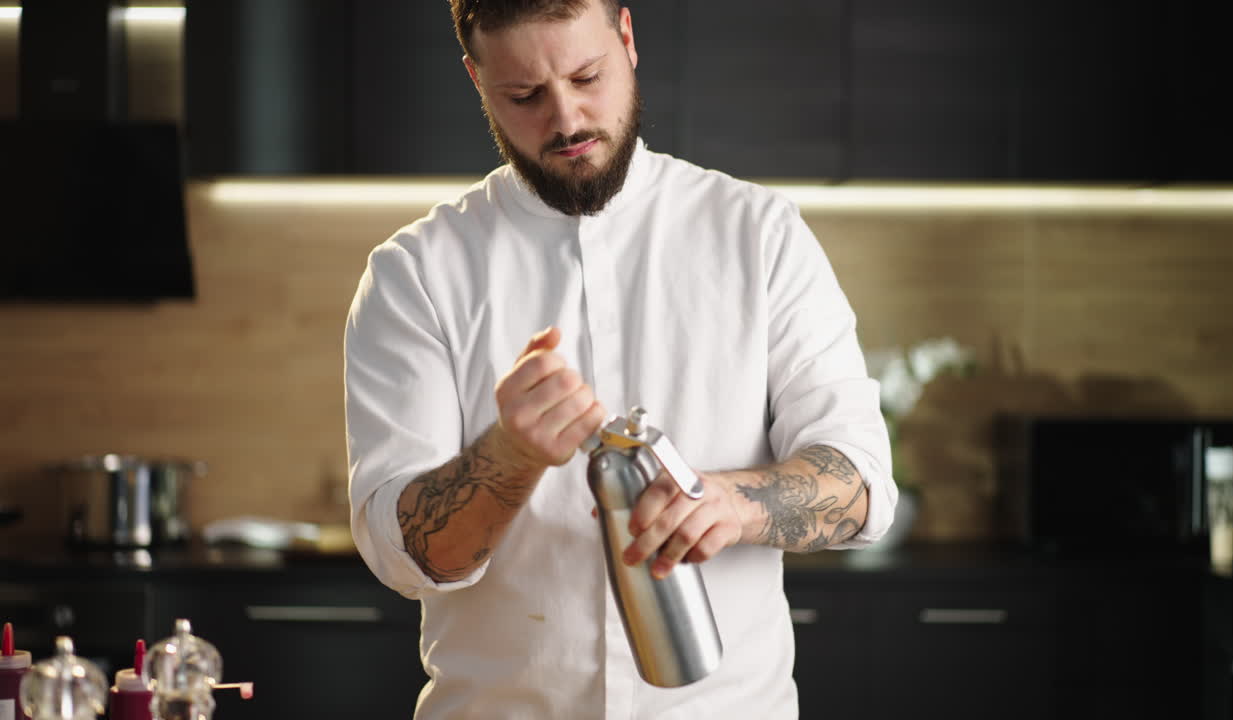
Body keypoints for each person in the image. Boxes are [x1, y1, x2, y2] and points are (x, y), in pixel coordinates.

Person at [344, 0, 897, 717]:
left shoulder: (759, 236)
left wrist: (733, 504)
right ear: (476, 79)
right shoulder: (414, 274)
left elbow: (859, 481)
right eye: (525, 95)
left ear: (627, 39)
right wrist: (508, 457)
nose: (567, 118)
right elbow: (403, 554)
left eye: (586, 76)